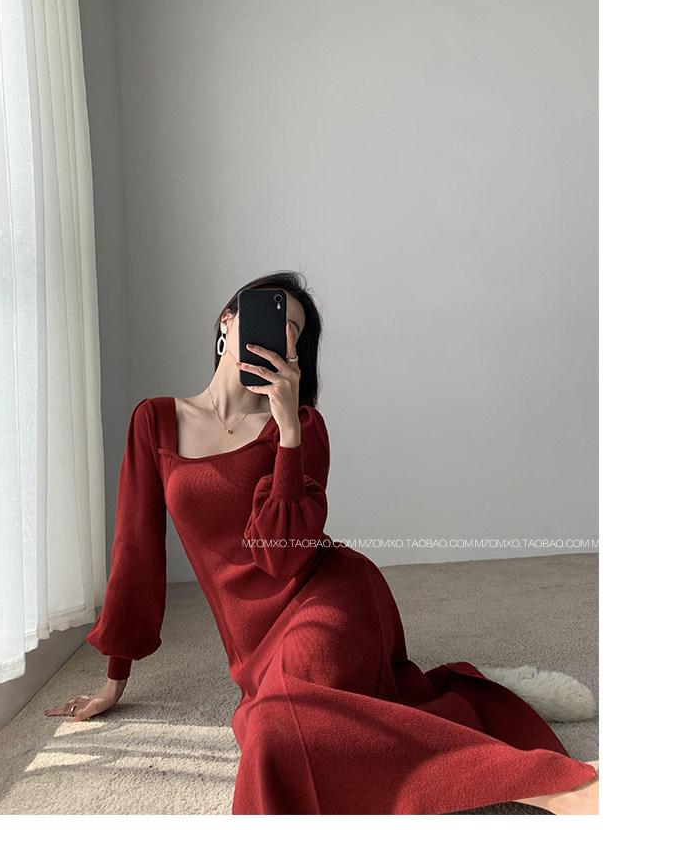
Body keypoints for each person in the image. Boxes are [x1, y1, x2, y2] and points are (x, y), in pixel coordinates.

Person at [44, 271, 599, 815]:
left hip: (328, 594)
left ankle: (557, 789)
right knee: (281, 728)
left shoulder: (303, 426)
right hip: (254, 641)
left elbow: (285, 557)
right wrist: (115, 680)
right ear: (227, 320)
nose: (279, 333)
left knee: (280, 726)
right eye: (270, 315)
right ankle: (464, 713)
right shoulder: (155, 420)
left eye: (293, 330)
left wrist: (287, 431)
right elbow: (135, 550)